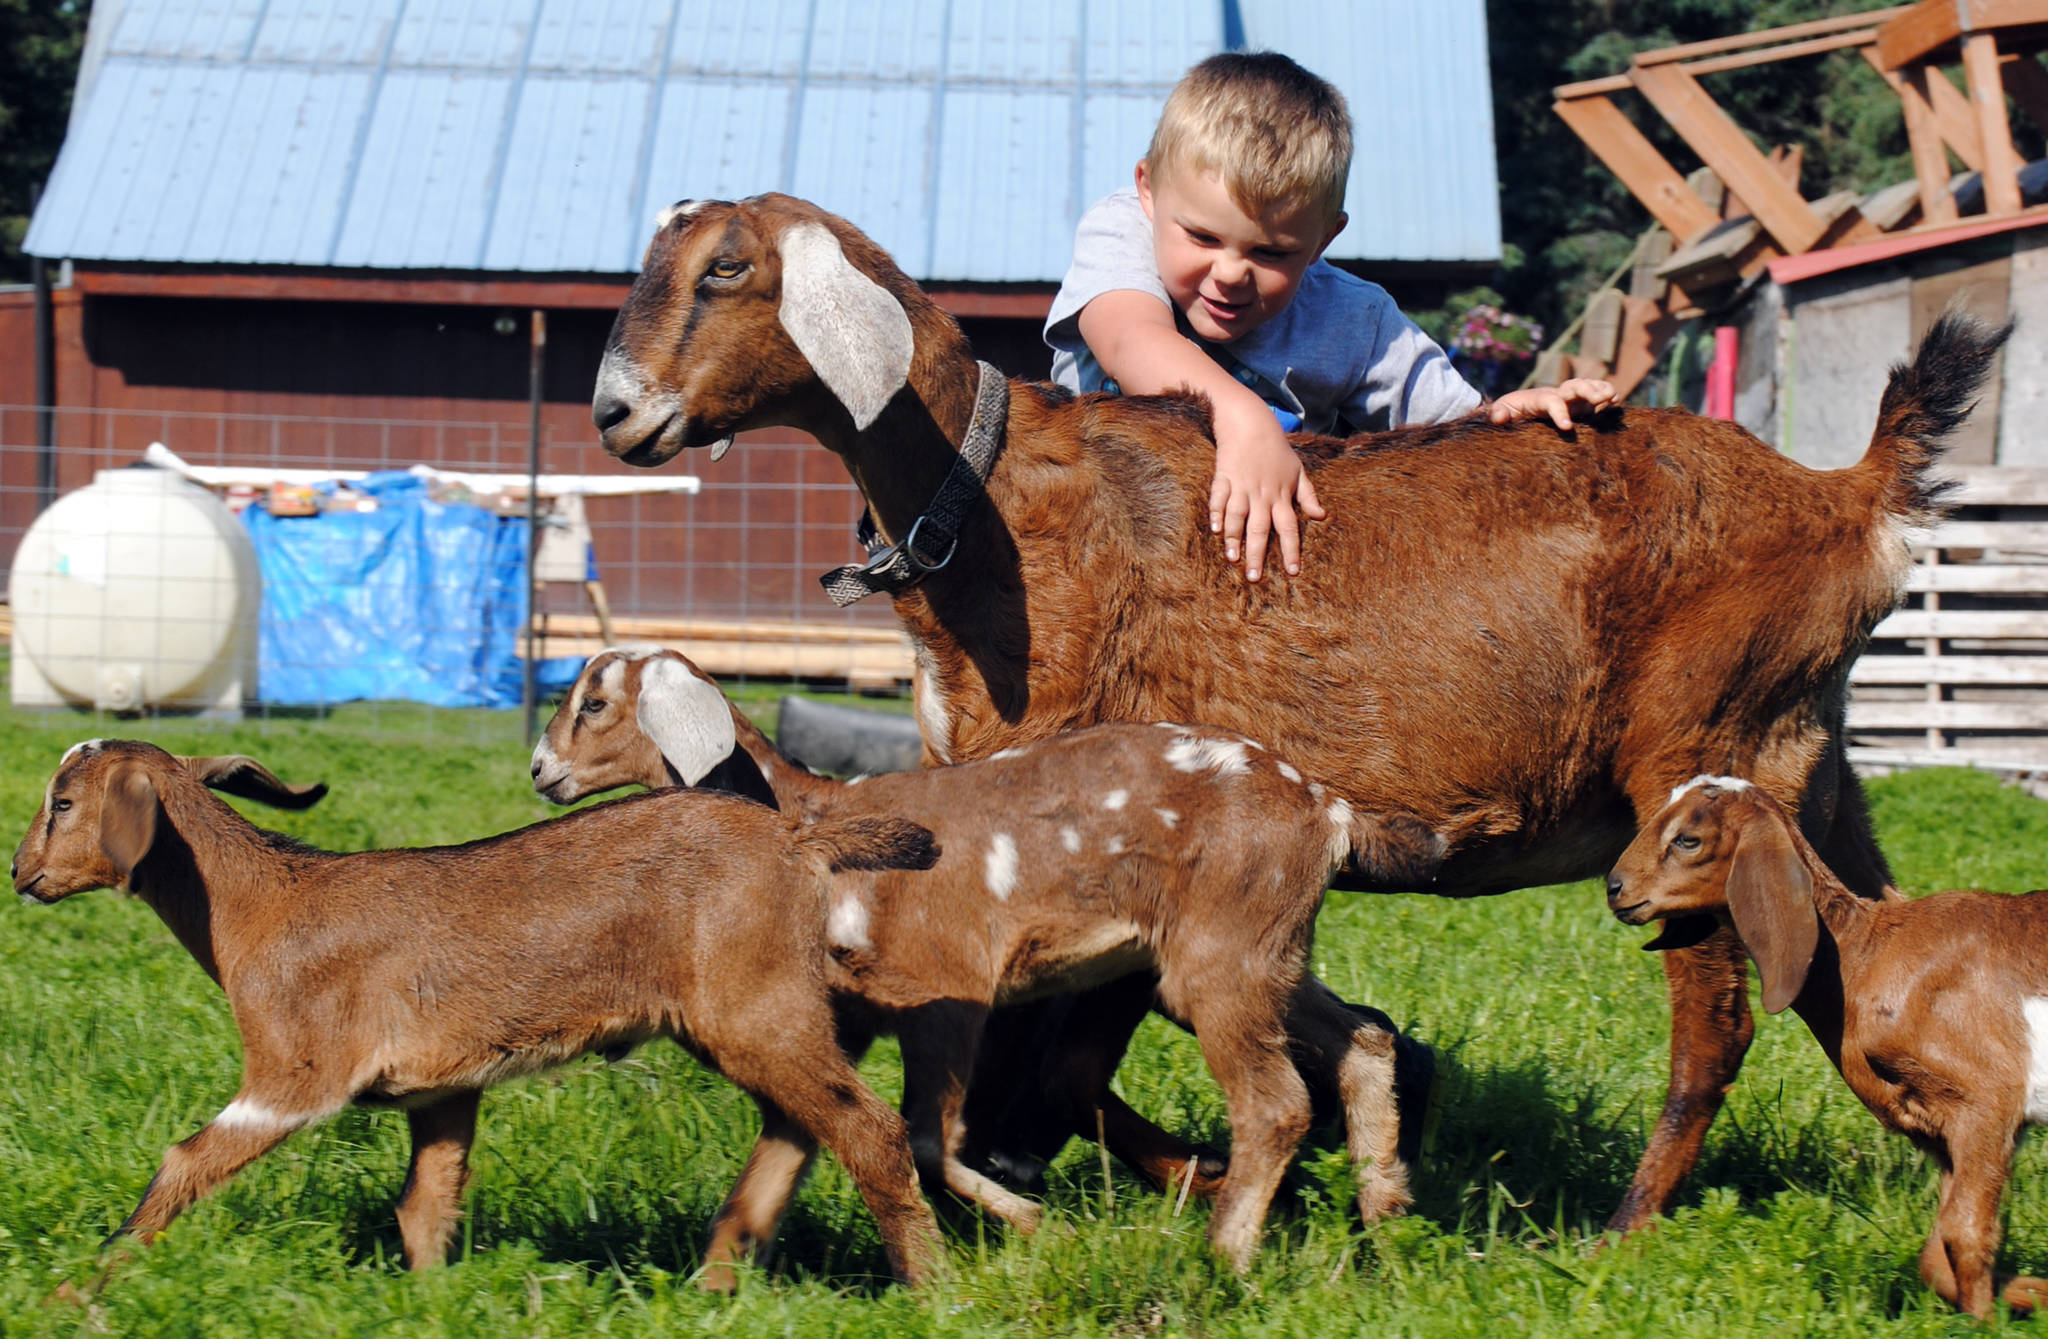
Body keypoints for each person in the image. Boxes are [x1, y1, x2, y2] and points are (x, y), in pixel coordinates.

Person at [1044, 51, 1616, 583]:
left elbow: (1456, 435)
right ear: (1148, 190)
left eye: (1271, 253)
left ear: (1323, 240)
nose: (1231, 273)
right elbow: (1129, 338)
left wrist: (1507, 420)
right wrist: (1243, 416)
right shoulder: (1122, 232)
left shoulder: (1356, 319)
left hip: (1251, 579)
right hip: (1086, 544)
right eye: (1202, 237)